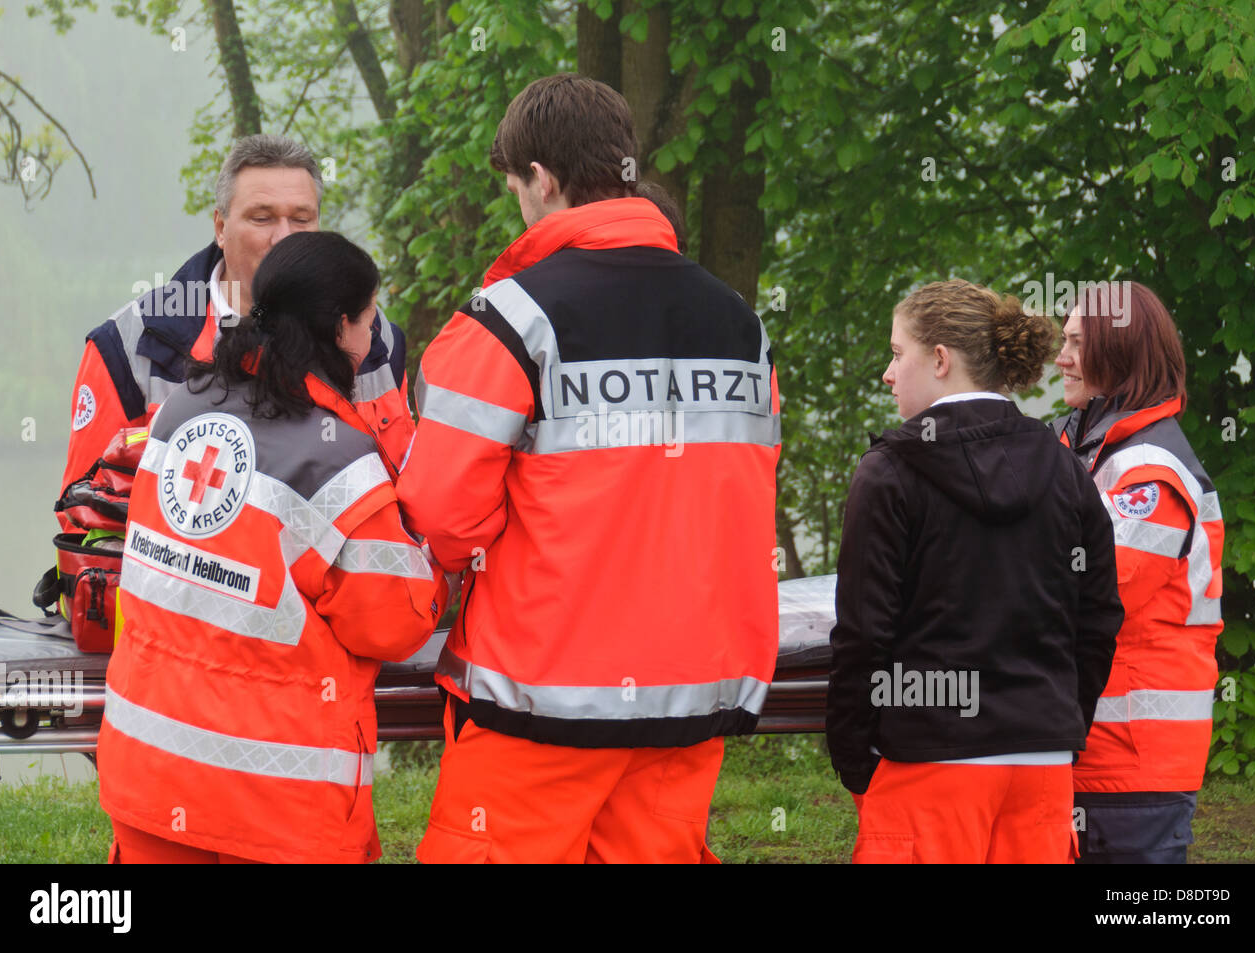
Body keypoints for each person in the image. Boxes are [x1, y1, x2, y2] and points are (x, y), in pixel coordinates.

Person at [398, 73, 781, 863]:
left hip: (540, 701)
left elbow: (438, 513)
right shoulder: (738, 324)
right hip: (692, 696)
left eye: (515, 186)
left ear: (541, 179)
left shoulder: (509, 321)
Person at [96, 231, 448, 864]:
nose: (374, 339)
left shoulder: (178, 409)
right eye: (369, 319)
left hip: (146, 772)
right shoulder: (340, 459)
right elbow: (395, 621)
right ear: (341, 329)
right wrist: (429, 551)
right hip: (272, 807)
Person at [828, 279, 1124, 863]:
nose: (888, 374)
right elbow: (1099, 617)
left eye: (896, 353)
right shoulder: (1066, 468)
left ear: (940, 360)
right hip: (1039, 767)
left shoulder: (889, 472)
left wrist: (854, 757)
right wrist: (1059, 724)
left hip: (928, 762)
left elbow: (864, 633)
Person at [60, 134, 415, 530]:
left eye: (301, 219)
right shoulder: (132, 346)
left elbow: (406, 493)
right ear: (220, 227)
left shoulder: (374, 336)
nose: (284, 237)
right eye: (261, 218)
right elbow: (86, 515)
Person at [1052, 281, 1224, 863]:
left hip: (1132, 764)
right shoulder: (1086, 448)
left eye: (1077, 342)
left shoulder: (1151, 471)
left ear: (1118, 352)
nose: (1061, 357)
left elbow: (1085, 587)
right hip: (1090, 749)